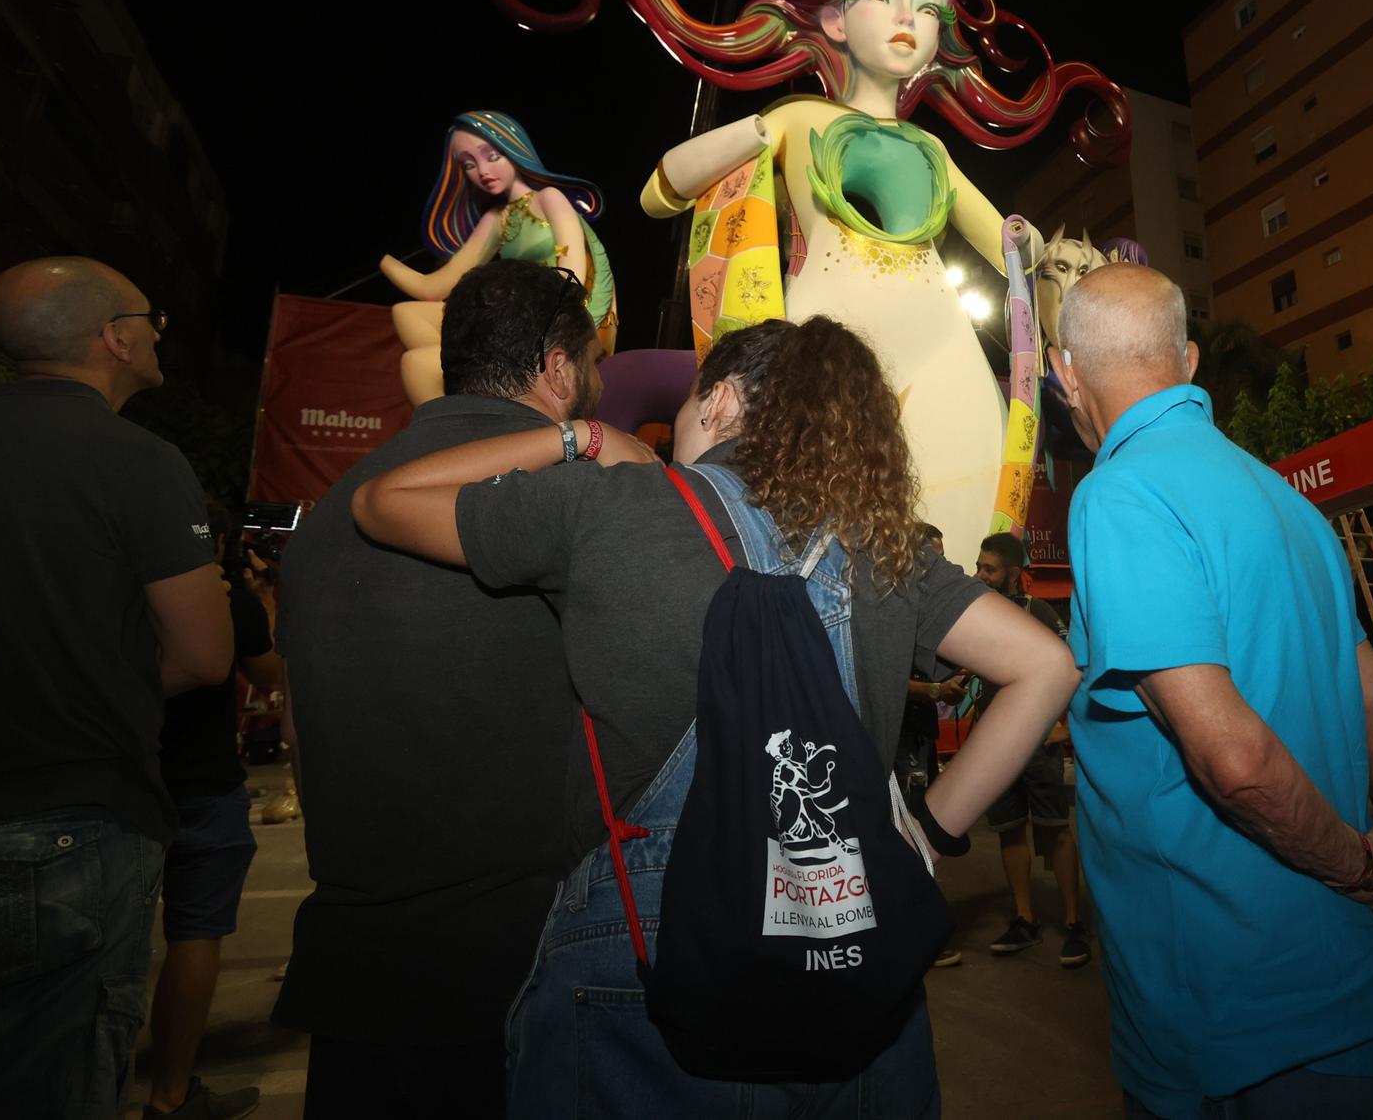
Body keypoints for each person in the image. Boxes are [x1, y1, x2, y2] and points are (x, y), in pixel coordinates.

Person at [350, 314, 1081, 1117]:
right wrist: (927, 834)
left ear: (724, 401)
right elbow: (1044, 666)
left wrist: (581, 439)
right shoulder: (886, 543)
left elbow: (385, 500)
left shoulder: (608, 504)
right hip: (847, 964)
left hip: (645, 964)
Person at [490, 0, 1128, 547]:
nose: (909, 17)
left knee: (954, 526)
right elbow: (660, 193)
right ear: (833, 17)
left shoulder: (933, 154)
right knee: (804, 523)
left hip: (943, 347)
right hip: (823, 345)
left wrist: (1030, 245)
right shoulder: (799, 119)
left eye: (928, 7)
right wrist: (753, 134)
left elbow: (1016, 248)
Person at [1051, 263, 1373, 1120]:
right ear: (1186, 362)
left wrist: (1372, 872)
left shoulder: (1118, 493)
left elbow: (1237, 761)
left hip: (1235, 1027)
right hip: (1365, 1003)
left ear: (1065, 371)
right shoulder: (1290, 504)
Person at [272, 259, 603, 1118]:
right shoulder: (572, 492)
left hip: (357, 968)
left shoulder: (328, 512)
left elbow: (302, 740)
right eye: (590, 363)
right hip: (519, 971)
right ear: (558, 367)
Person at [0, 257, 233, 1120]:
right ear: (113, 337)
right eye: (149, 317)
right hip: (77, 824)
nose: (160, 330)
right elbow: (205, 654)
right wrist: (95, 684)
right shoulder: (139, 463)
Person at [144, 499, 283, 1120]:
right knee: (195, 933)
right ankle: (171, 1093)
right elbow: (269, 671)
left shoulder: (120, 589)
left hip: (127, 776)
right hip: (203, 781)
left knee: (112, 938)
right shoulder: (227, 598)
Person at [379, 110, 618, 404]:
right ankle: (471, 392)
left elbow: (573, 277)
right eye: (469, 164)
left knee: (420, 363)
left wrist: (530, 322)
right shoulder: (497, 219)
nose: (482, 171)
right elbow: (434, 287)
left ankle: (475, 404)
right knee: (406, 313)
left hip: (562, 316)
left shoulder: (549, 199)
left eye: (491, 156)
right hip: (524, 316)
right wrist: (382, 259)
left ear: (515, 150)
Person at [969, 532, 1090, 968]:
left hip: (1037, 747)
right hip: (993, 747)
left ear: (1014, 575)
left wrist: (1061, 727)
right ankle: (1025, 920)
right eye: (979, 566)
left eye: (989, 569)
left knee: (1055, 829)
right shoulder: (976, 616)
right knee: (1009, 830)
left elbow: (1072, 668)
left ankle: (1074, 925)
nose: (980, 575)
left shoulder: (1035, 612)